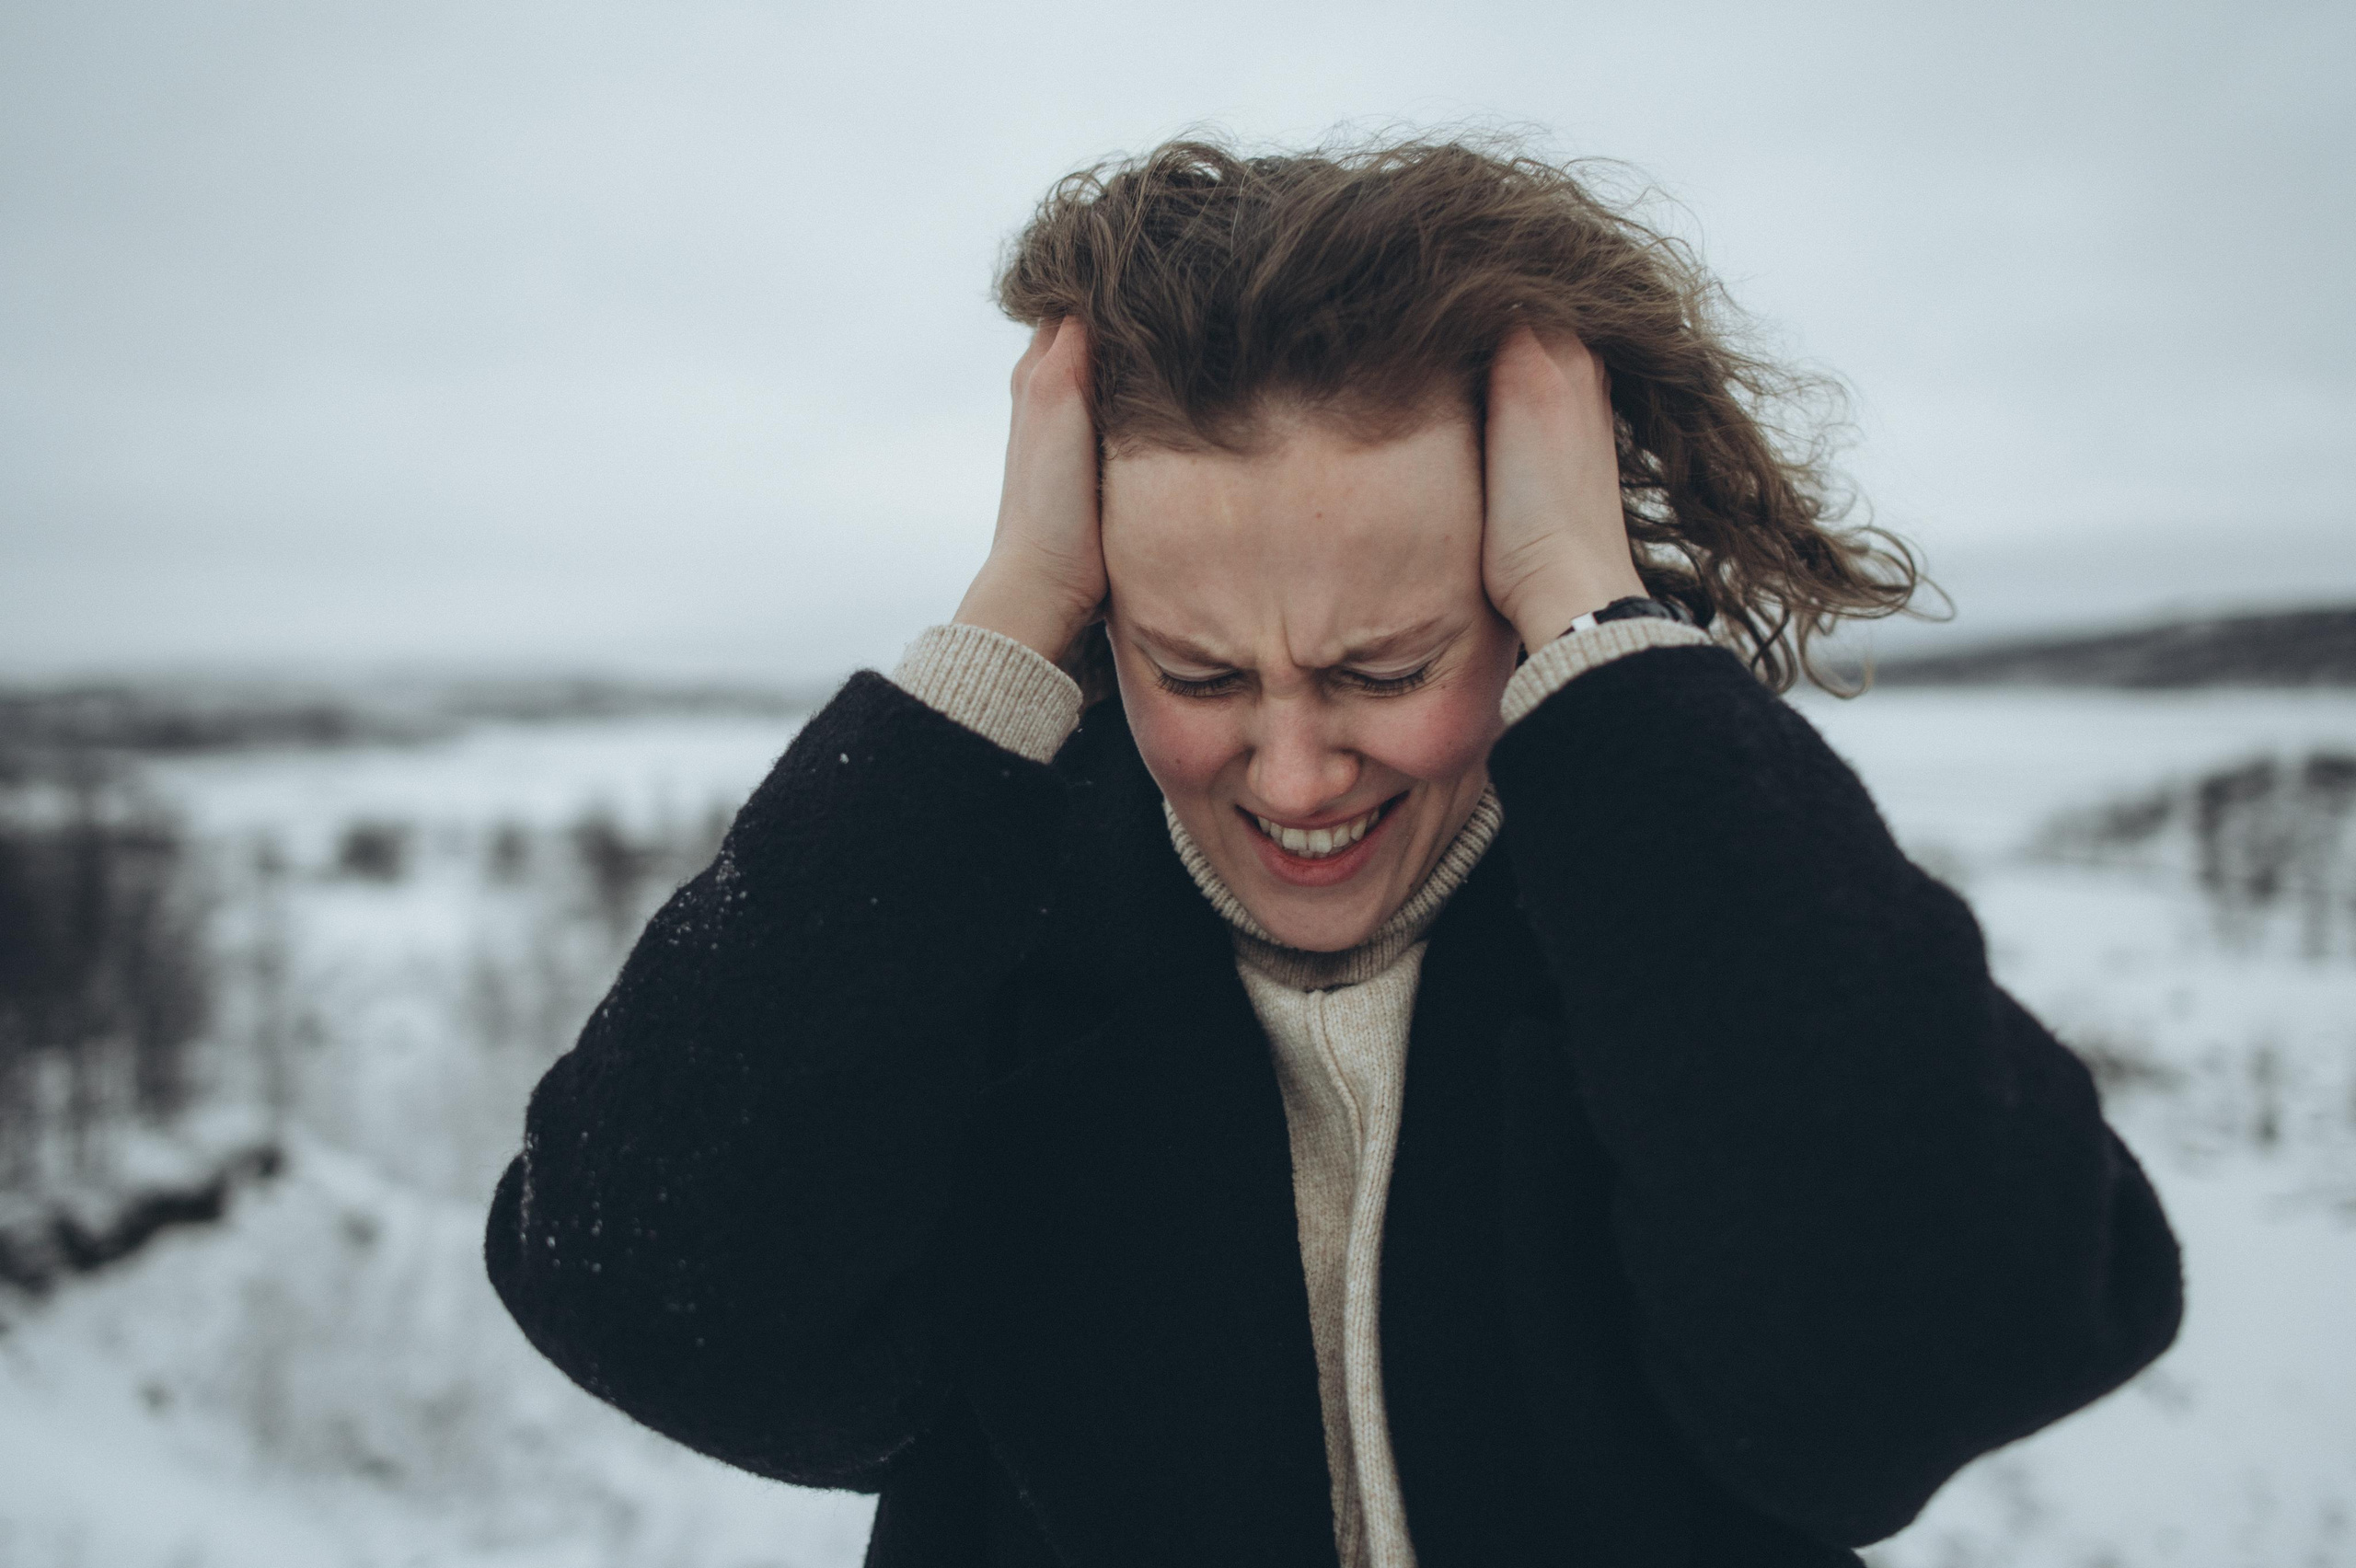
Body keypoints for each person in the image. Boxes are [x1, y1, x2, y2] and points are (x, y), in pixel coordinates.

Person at [485, 135, 2183, 1567]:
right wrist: (1004, 620)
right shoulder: (978, 951)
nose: (1293, 769)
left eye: (1388, 667)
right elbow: (652, 1301)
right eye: (1197, 669)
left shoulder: (1681, 937)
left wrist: (1604, 630)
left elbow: (1955, 1338)